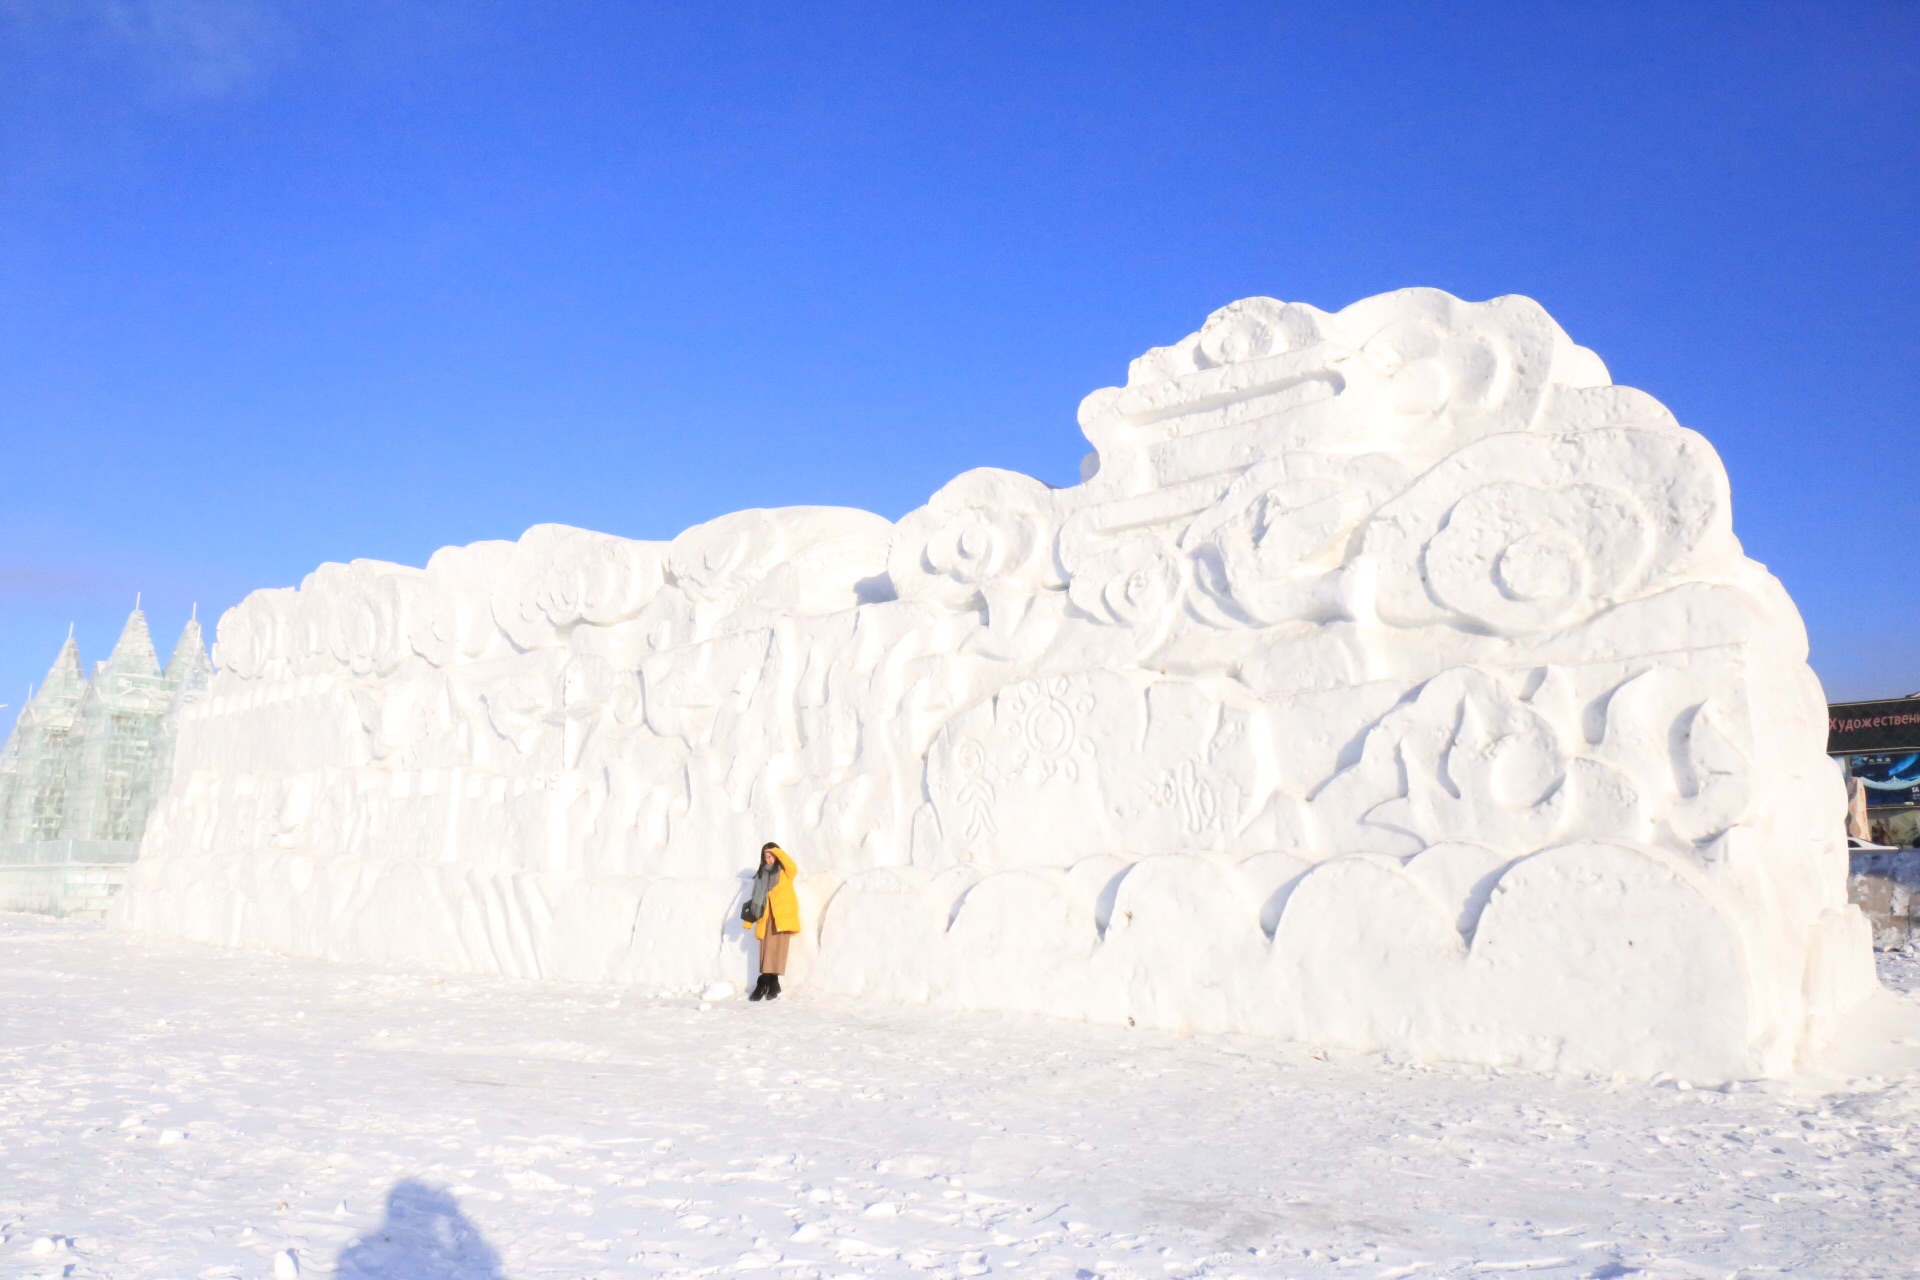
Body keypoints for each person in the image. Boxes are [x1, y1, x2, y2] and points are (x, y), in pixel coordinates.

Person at [743, 842, 799, 1001]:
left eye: (771, 856)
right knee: (766, 952)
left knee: (778, 952)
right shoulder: (761, 876)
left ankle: (765, 983)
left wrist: (776, 851)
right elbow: (756, 899)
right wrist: (749, 921)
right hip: (766, 918)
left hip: (782, 918)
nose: (769, 859)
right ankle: (769, 983)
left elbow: (792, 866)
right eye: (766, 857)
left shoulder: (786, 873)